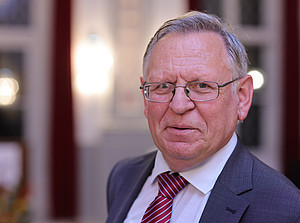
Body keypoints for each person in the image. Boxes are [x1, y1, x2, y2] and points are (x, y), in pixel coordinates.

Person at [106, 11, 300, 223]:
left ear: (242, 97)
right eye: (162, 86)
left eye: (202, 86)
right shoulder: (123, 177)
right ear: (145, 98)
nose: (178, 105)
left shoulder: (283, 208)